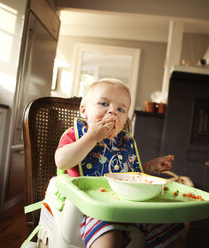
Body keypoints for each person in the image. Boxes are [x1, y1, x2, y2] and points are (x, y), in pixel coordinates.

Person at [55, 78, 185, 248]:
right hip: (92, 207)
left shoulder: (123, 142)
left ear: (126, 120)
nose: (112, 112)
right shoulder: (77, 135)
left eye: (121, 109)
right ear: (84, 110)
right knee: (108, 233)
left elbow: (130, 174)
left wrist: (150, 167)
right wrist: (92, 137)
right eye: (103, 103)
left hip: (128, 202)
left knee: (170, 225)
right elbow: (61, 161)